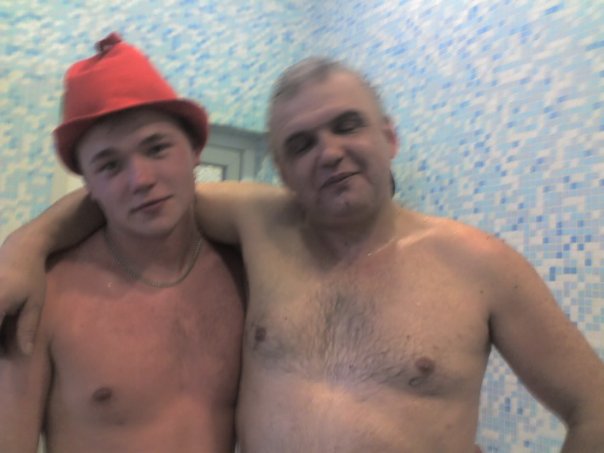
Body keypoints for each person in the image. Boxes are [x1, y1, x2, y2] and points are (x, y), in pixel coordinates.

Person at [1, 55, 604, 452]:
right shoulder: (260, 226)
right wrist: (27, 246)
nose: (329, 152)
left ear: (389, 136)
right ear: (283, 170)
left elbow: (593, 406)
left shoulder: (479, 264)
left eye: (348, 125)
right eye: (301, 144)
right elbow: (140, 198)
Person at [0, 33, 245, 453]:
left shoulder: (247, 276)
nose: (140, 179)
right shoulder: (46, 294)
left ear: (195, 150)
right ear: (88, 185)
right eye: (110, 165)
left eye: (157, 148)